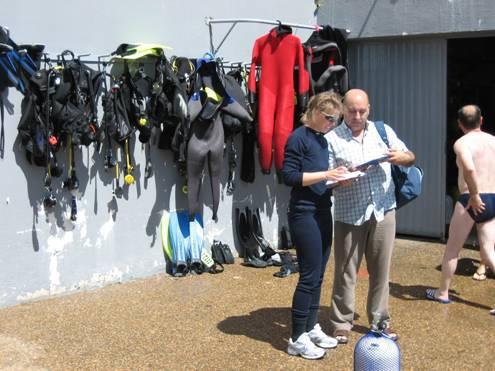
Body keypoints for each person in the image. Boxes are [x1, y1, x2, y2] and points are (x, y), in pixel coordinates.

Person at [325, 88, 415, 344]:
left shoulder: (382, 131)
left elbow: (410, 157)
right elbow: (326, 177)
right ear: (343, 109)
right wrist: (339, 178)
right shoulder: (332, 138)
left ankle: (379, 322)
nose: (357, 116)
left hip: (383, 210)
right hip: (349, 213)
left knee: (381, 271)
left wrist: (400, 157)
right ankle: (341, 322)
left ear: (369, 109)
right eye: (352, 111)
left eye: (362, 111)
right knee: (345, 271)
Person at [281, 91, 349, 359]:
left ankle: (310, 328)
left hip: (322, 209)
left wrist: (337, 180)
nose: (332, 124)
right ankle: (296, 338)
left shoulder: (321, 141)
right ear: (316, 112)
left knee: (319, 274)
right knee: (308, 276)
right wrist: (326, 174)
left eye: (336, 120)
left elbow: (318, 179)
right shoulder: (298, 137)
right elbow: (289, 176)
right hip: (303, 212)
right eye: (330, 118)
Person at [426, 105, 495, 315]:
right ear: (481, 120)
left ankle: (443, 293)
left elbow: (469, 168)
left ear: (459, 123)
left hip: (470, 198)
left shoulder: (462, 143)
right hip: (492, 197)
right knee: (489, 250)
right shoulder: (493, 140)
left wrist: (474, 195)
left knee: (452, 251)